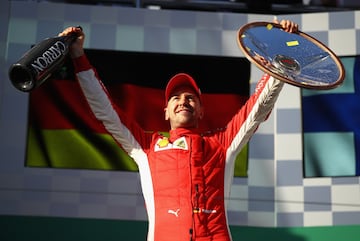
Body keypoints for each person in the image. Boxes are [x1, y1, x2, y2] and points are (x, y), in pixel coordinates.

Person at [59, 19, 298, 241]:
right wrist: (79, 56)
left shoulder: (222, 144)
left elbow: (258, 108)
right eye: (175, 97)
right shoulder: (145, 148)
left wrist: (281, 53)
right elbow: (105, 110)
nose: (183, 101)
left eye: (190, 97)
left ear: (201, 110)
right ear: (165, 111)